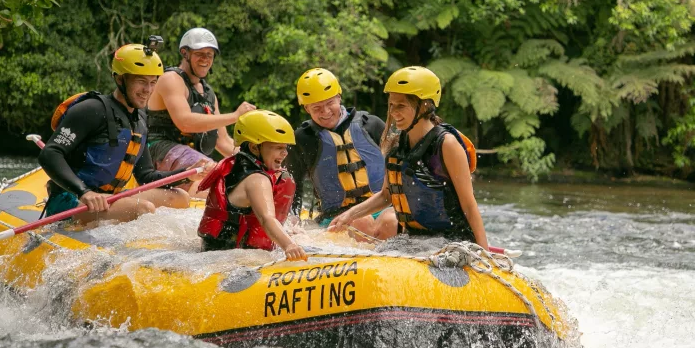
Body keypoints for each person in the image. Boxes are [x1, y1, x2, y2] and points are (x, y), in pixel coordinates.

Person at [39, 40, 203, 225]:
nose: (147, 90)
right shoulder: (92, 109)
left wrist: (186, 174)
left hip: (109, 198)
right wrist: (84, 192)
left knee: (180, 197)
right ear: (120, 79)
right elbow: (50, 153)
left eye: (152, 82)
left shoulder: (139, 119)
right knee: (143, 209)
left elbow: (146, 176)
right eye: (141, 81)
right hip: (73, 201)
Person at [329, 66, 489, 248]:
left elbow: (469, 206)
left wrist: (485, 253)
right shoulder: (396, 146)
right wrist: (350, 214)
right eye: (391, 105)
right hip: (413, 239)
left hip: (452, 240)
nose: (393, 112)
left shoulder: (447, 144)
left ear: (425, 106)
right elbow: (386, 196)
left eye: (401, 106)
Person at [285, 67, 397, 239]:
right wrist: (291, 221)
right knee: (362, 222)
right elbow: (293, 186)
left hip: (380, 207)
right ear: (307, 108)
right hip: (336, 215)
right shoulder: (302, 139)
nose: (326, 112)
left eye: (330, 103)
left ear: (339, 97)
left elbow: (399, 164)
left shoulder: (372, 125)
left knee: (392, 221)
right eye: (317, 108)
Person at [146, 27, 255, 193]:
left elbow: (223, 142)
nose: (205, 59)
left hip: (190, 158)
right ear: (185, 53)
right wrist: (235, 116)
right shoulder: (171, 79)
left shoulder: (209, 94)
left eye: (209, 55)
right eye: (200, 54)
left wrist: (254, 159)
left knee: (240, 174)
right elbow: (185, 123)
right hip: (158, 151)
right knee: (212, 173)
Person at [197, 110, 307, 261]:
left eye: (285, 147)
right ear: (254, 148)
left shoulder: (234, 167)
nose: (285, 153)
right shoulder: (256, 180)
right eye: (278, 147)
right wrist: (289, 245)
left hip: (213, 252)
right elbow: (266, 219)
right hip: (230, 261)